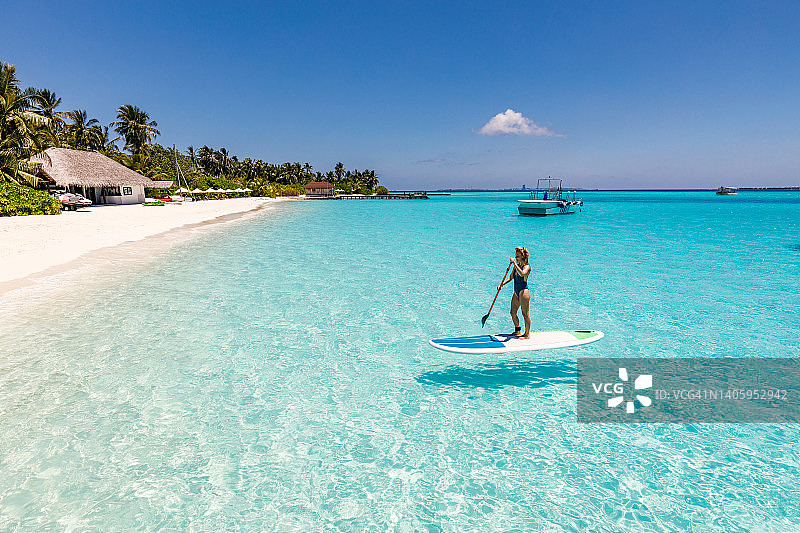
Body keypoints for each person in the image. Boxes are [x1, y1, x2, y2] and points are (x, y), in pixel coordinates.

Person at [498, 246, 531, 338]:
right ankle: (517, 330)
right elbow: (511, 277)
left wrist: (514, 264)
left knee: (525, 314)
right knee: (512, 312)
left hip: (524, 292)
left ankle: (527, 334)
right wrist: (502, 284)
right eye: (515, 256)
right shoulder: (517, 266)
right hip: (516, 292)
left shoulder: (527, 267)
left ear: (522, 257)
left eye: (517, 256)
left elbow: (522, 274)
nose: (516, 258)